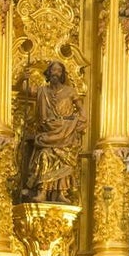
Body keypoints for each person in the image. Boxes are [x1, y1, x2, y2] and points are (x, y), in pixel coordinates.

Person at [25, 61, 84, 203]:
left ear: (62, 74)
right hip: (48, 132)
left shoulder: (70, 91)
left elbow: (82, 111)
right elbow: (27, 90)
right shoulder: (43, 91)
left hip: (65, 132)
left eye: (59, 70)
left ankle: (61, 192)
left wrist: (77, 123)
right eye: (53, 70)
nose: (55, 73)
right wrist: (24, 78)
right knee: (45, 155)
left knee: (64, 160)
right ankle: (43, 191)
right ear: (49, 72)